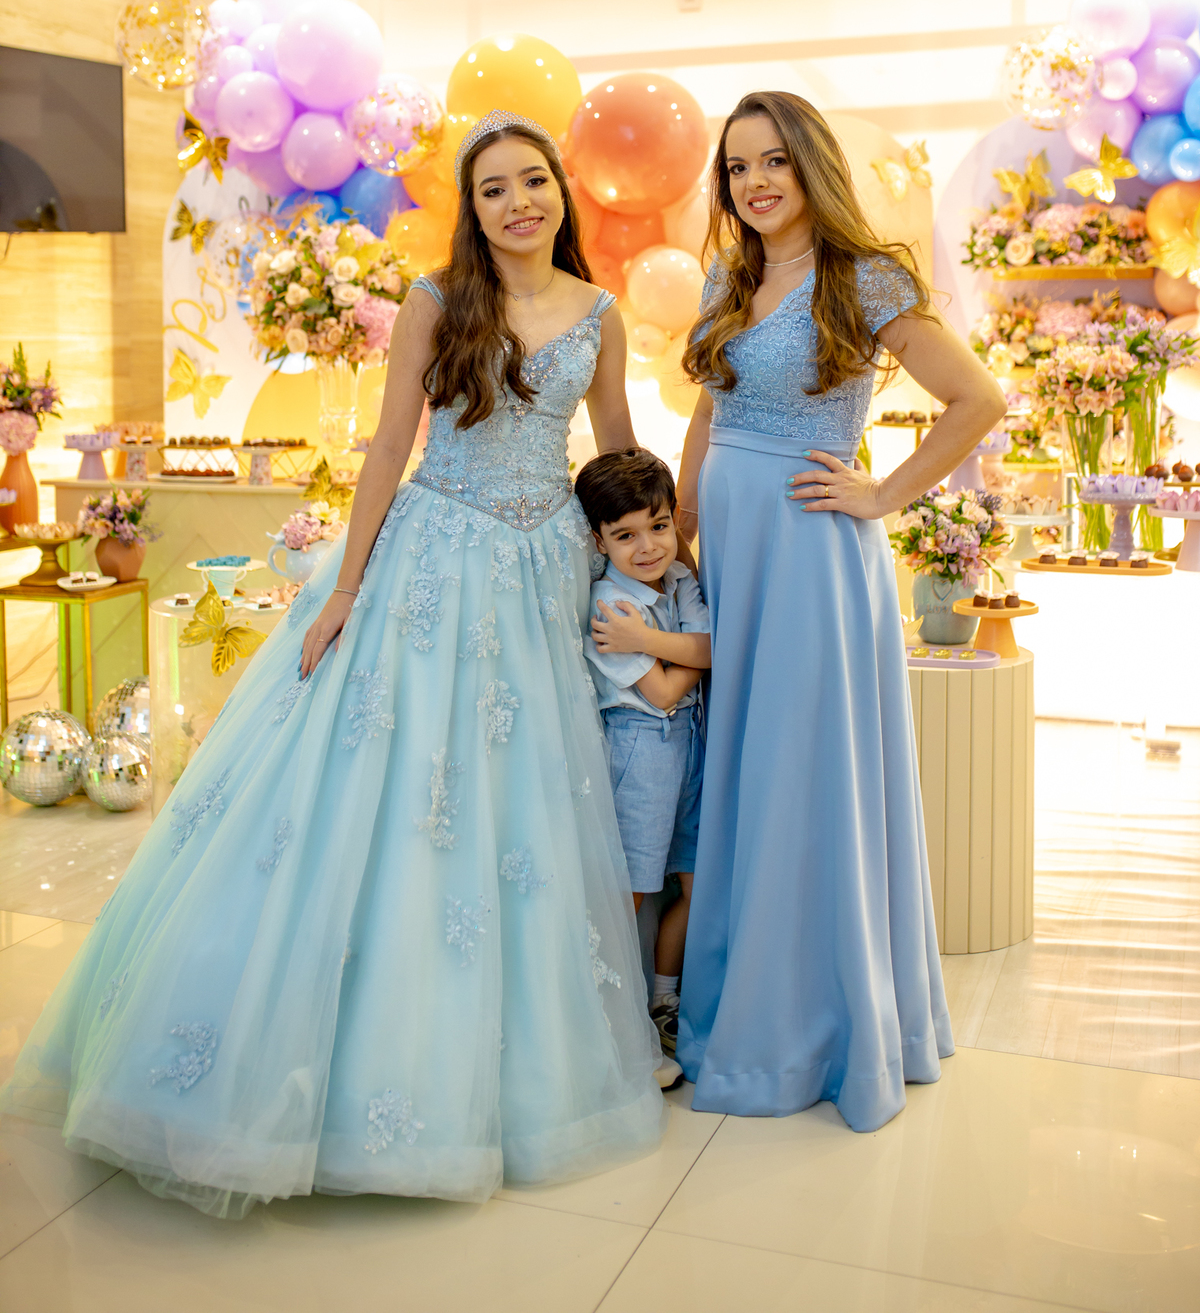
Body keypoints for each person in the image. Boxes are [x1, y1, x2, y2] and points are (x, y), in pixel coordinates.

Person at [0, 109, 665, 1218]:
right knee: (391, 785)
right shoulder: (440, 301)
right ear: (474, 208)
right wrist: (346, 590)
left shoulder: (600, 315)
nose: (518, 202)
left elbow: (615, 452)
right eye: (493, 187)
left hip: (542, 569)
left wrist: (642, 574)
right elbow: (389, 448)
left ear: (562, 190)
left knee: (518, 800)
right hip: (434, 558)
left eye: (533, 181)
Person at [674, 91, 1006, 1131]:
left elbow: (978, 401)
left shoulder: (867, 276)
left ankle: (808, 1028)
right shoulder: (729, 276)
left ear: (812, 164)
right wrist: (684, 524)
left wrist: (882, 493)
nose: (754, 183)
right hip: (734, 551)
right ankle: (741, 998)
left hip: (812, 555)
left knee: (799, 772)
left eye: (773, 160)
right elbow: (708, 408)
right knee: (741, 767)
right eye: (737, 167)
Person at [574, 448, 710, 1061]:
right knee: (629, 888)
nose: (648, 547)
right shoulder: (610, 604)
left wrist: (651, 640)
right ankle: (606, 1016)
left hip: (693, 745)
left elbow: (714, 647)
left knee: (695, 884)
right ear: (599, 541)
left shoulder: (680, 579)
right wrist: (690, 654)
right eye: (625, 535)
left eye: (658, 526)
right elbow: (660, 692)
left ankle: (663, 1001)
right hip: (641, 747)